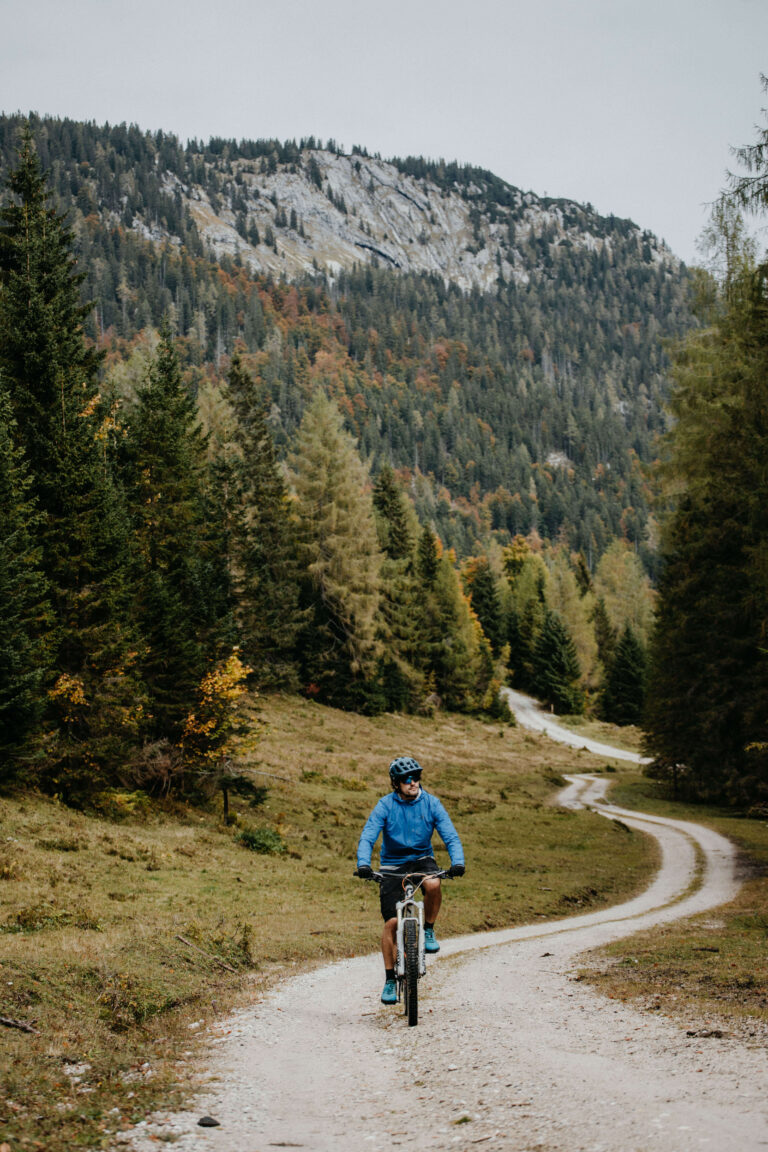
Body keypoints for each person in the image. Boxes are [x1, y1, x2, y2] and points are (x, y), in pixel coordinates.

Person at [356, 755, 465, 1004]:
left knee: (434, 883)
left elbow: (451, 837)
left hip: (422, 860)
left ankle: (428, 930)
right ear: (396, 784)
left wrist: (458, 862)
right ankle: (390, 981)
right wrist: (363, 864)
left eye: (416, 778)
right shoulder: (385, 805)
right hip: (392, 865)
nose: (413, 783)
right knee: (392, 923)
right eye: (406, 779)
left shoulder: (432, 803)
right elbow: (368, 836)